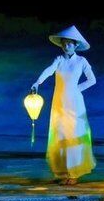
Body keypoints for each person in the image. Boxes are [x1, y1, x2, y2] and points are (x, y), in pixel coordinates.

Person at [31, 25, 97, 184]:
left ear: (76, 45)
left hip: (75, 103)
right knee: (59, 134)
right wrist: (37, 82)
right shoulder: (59, 60)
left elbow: (92, 80)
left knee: (73, 134)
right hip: (59, 102)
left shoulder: (81, 61)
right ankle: (62, 172)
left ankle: (74, 174)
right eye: (64, 43)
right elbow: (49, 70)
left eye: (70, 43)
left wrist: (77, 89)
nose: (67, 46)